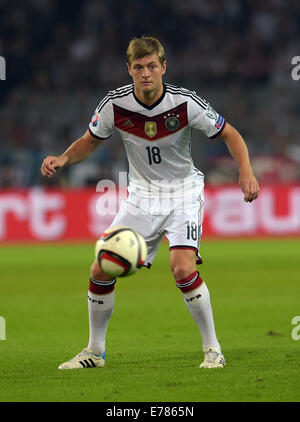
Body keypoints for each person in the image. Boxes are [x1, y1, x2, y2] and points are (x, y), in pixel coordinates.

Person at [41, 36, 259, 369]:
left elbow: (230, 133)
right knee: (100, 267)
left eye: (152, 66)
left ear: (163, 67)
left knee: (182, 267)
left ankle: (213, 349)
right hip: (141, 197)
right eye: (139, 67)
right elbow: (89, 142)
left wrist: (246, 171)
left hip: (183, 193)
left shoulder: (186, 103)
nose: (146, 73)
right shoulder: (113, 105)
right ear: (129, 69)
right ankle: (95, 352)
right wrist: (64, 158)